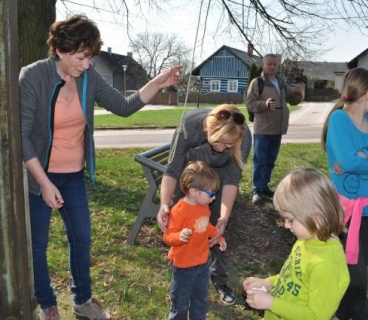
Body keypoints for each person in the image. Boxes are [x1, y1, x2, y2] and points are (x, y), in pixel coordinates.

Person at [19, 15, 182, 320]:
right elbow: (24, 138)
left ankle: (82, 300)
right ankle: (47, 304)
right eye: (81, 58)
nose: (87, 64)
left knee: (81, 238)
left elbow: (123, 106)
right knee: (37, 244)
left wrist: (158, 82)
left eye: (90, 57)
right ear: (60, 51)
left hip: (73, 176)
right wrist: (43, 183)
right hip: (38, 176)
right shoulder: (33, 77)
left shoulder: (88, 78)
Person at [157, 103, 252, 306]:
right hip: (190, 175)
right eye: (221, 142)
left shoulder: (243, 135)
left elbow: (231, 181)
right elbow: (173, 169)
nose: (223, 149)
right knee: (181, 225)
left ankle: (220, 281)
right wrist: (165, 204)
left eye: (230, 145)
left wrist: (224, 218)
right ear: (210, 129)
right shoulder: (189, 126)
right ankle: (179, 278)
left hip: (218, 179)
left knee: (215, 229)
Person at [243, 168, 349, 320]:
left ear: (316, 219)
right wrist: (268, 283)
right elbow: (293, 278)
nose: (286, 225)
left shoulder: (326, 265)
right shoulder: (306, 240)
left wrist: (271, 303)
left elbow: (316, 316)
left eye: (291, 220)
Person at [321, 67, 368, 320]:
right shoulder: (340, 120)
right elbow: (349, 163)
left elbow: (353, 161)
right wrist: (354, 160)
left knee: (355, 278)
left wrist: (360, 159)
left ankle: (340, 313)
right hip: (351, 215)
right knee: (356, 277)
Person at [163, 160, 227, 319]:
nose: (213, 198)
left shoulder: (204, 206)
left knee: (201, 299)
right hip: (183, 267)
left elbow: (206, 226)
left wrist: (218, 236)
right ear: (193, 191)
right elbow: (168, 237)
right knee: (180, 302)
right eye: (211, 194)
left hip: (203, 263)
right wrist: (179, 236)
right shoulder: (179, 210)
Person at [246, 54, 303, 205]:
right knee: (260, 160)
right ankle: (257, 190)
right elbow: (250, 103)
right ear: (264, 65)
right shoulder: (257, 82)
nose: (272, 66)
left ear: (278, 66)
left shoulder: (281, 82)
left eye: (274, 64)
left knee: (270, 160)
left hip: (277, 128)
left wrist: (298, 93)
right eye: (269, 64)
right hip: (263, 128)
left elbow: (293, 100)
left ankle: (264, 186)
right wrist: (265, 104)